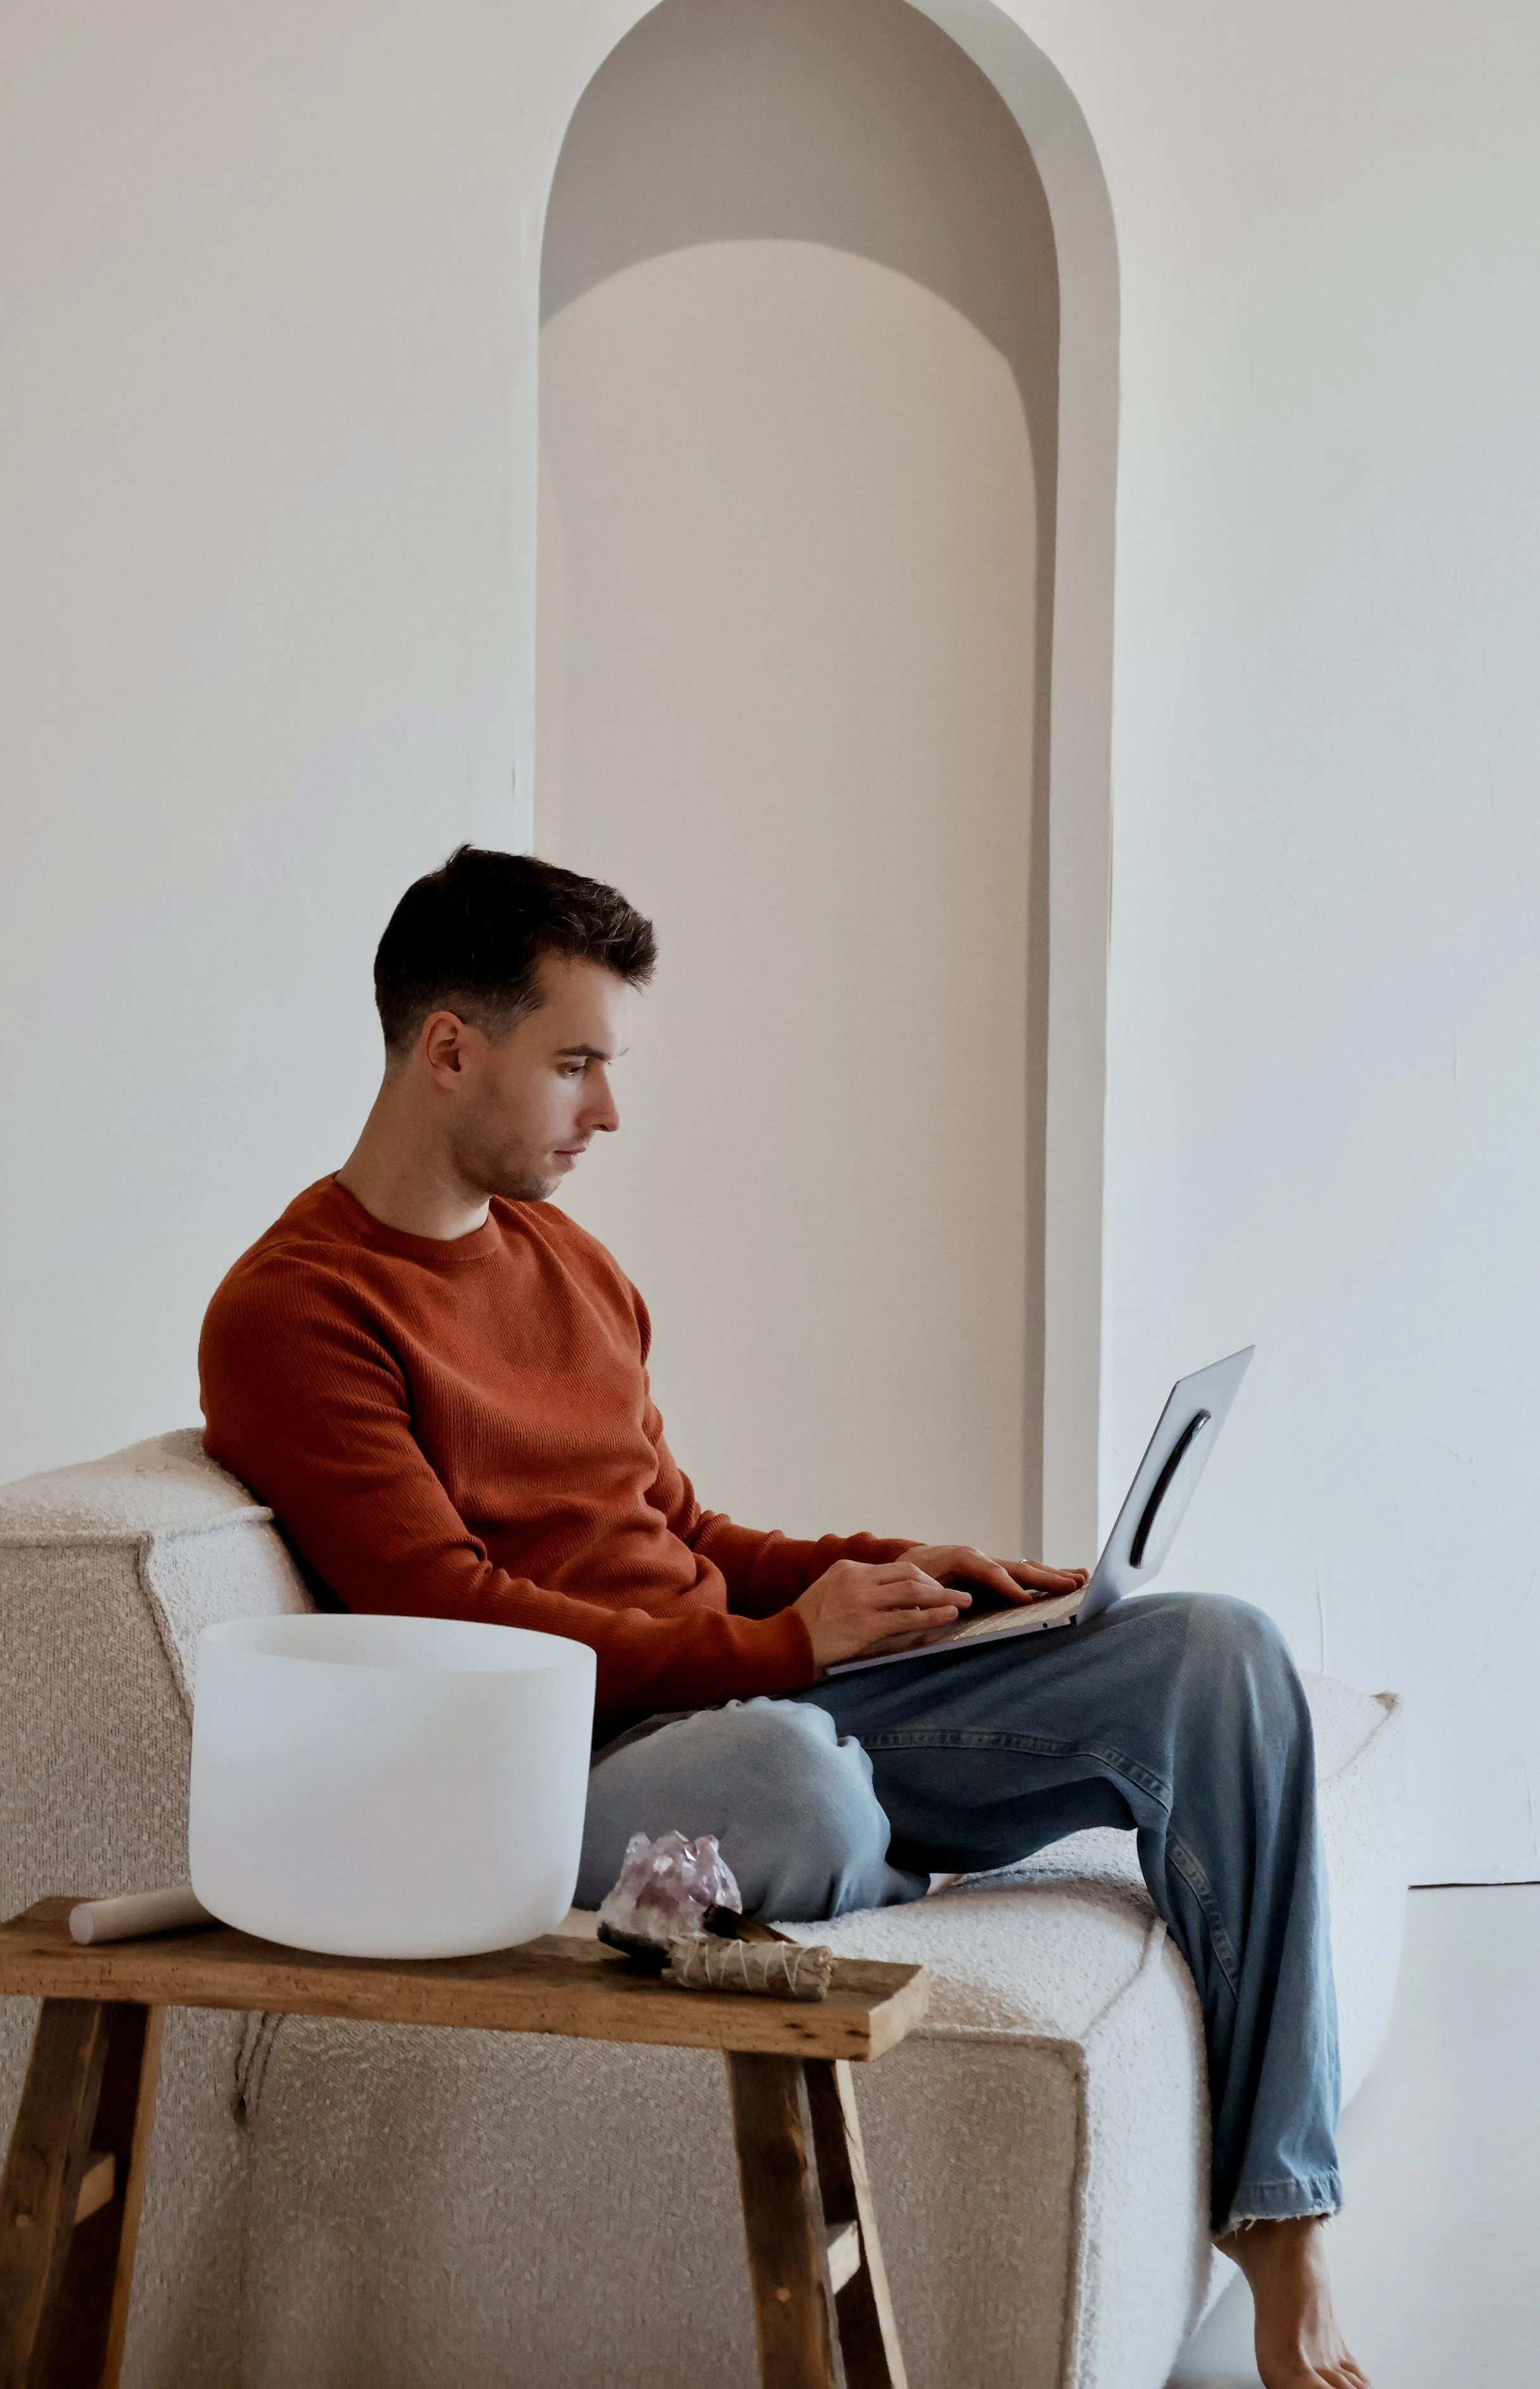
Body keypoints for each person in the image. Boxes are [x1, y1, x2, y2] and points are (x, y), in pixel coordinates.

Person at [201, 845, 1367, 2389]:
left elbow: (677, 1533)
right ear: (446, 1050)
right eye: (576, 1065)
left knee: (1217, 1652)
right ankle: (875, 1831)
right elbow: (454, 1615)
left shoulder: (571, 1264)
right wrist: (782, 1655)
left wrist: (922, 1578)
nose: (606, 1112)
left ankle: (1282, 2236)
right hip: (579, 1763)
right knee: (790, 1779)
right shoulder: (295, 1311)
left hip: (757, 1694)